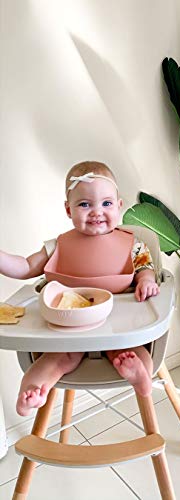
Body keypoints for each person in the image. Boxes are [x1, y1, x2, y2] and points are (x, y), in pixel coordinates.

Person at [0, 161, 159, 416]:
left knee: (133, 352)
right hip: (68, 330)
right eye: (85, 204)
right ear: (68, 209)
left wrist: (146, 281)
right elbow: (25, 267)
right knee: (56, 359)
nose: (96, 212)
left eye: (106, 203)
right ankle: (33, 391)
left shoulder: (133, 245)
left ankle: (141, 378)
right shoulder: (58, 246)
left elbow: (145, 268)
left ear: (119, 206)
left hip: (116, 327)